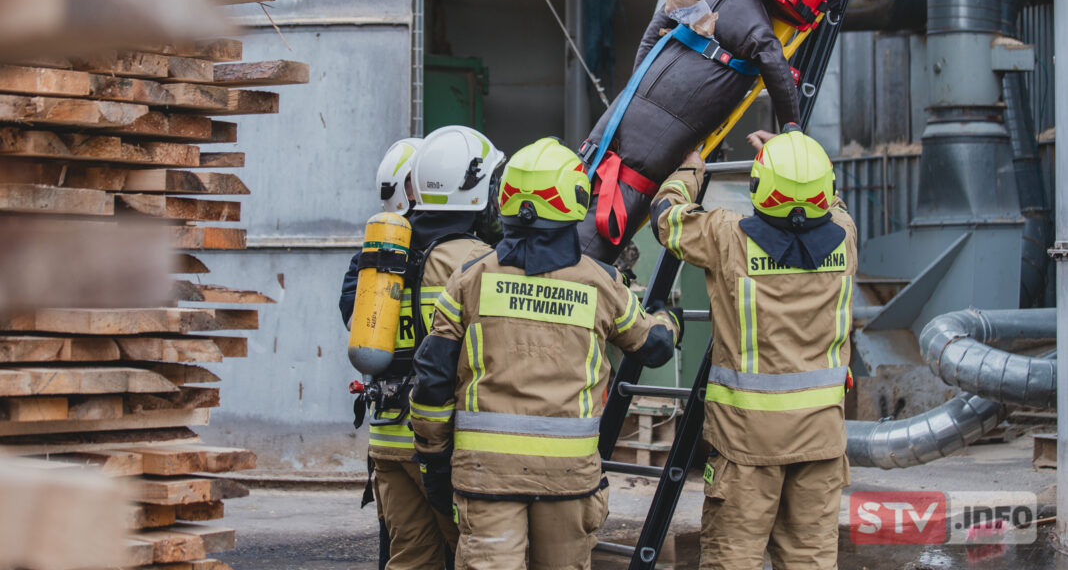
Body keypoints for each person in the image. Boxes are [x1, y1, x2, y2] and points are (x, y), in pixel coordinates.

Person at [408, 137, 683, 570]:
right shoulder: (601, 283)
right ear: (574, 200)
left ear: (504, 201)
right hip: (568, 479)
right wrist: (668, 317)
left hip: (484, 476)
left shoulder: (468, 280)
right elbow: (654, 347)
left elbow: (432, 381)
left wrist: (434, 462)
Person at [577, 0, 844, 263]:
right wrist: (791, 130)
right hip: (644, 157)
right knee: (590, 249)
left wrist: (637, 83)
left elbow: (658, 21)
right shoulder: (754, 23)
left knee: (575, 206)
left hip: (614, 127)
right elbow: (774, 64)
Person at [650, 125, 856, 570]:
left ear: (762, 187)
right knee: (811, 562)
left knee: (733, 560)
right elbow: (830, 201)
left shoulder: (726, 236)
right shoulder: (846, 234)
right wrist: (789, 161)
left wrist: (688, 169)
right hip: (821, 440)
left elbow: (666, 217)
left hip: (747, 444)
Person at [340, 126, 505, 570]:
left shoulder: (382, 255)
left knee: (410, 560)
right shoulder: (478, 261)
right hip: (444, 446)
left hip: (387, 440)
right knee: (471, 557)